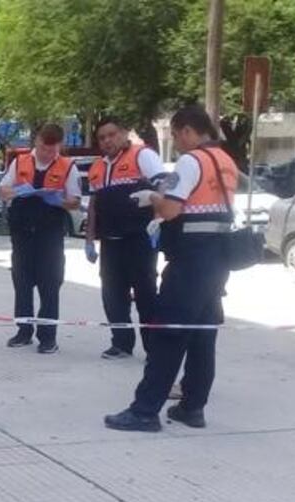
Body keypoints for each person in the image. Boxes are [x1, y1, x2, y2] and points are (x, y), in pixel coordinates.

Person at [105, 105, 236, 432]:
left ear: (188, 131)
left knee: (167, 334)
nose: (176, 143)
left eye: (176, 136)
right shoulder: (226, 161)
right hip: (217, 259)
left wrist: (152, 197)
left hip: (190, 259)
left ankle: (145, 410)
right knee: (203, 336)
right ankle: (192, 407)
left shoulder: (192, 161)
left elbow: (173, 209)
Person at [85, 116, 168, 360]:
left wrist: (160, 219)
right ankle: (121, 343)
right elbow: (93, 205)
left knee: (145, 294)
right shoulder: (97, 167)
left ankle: (155, 348)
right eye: (102, 138)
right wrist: (89, 239)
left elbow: (163, 185)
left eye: (112, 135)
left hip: (140, 240)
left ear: (123, 133)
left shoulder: (143, 156)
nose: (107, 140)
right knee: (112, 295)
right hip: (111, 241)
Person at [0, 124, 82, 354]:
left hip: (50, 234)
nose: (48, 153)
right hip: (22, 233)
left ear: (59, 145)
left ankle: (48, 337)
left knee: (50, 284)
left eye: (53, 149)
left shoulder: (68, 166)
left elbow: (75, 200)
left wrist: (59, 200)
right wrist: (17, 191)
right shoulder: (20, 161)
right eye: (45, 148)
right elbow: (1, 191)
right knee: (22, 282)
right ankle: (24, 331)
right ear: (37, 142)